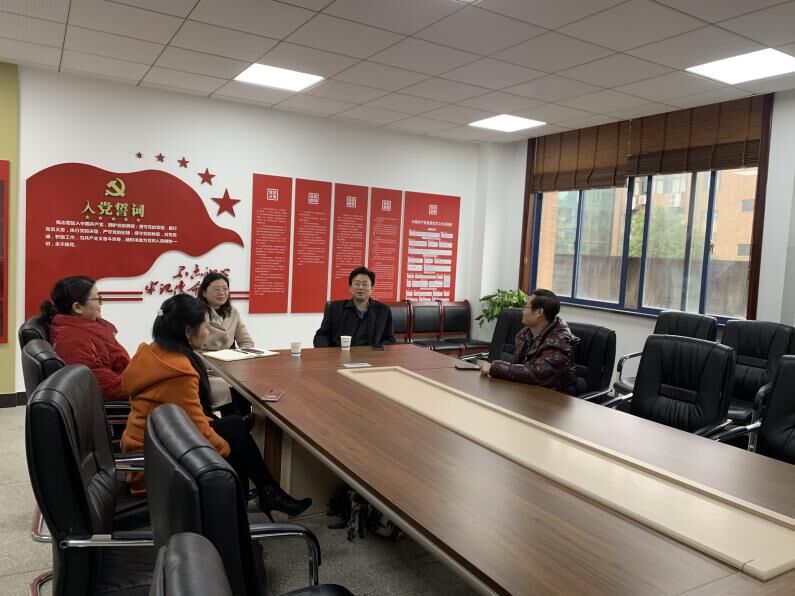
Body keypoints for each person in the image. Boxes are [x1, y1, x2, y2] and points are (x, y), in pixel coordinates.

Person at [120, 293, 311, 520]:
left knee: (234, 426)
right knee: (233, 445)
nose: (208, 332)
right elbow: (198, 429)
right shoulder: (178, 371)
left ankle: (263, 494)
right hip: (159, 463)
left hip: (152, 445)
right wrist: (226, 449)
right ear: (188, 331)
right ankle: (237, 513)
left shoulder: (154, 352)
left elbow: (189, 418)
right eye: (205, 326)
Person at [41, 275, 129, 401]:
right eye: (97, 299)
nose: (101, 304)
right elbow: (104, 386)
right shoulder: (72, 341)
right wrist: (147, 383)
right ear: (77, 307)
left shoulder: (87, 330)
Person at [480, 289, 579, 396]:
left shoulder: (560, 342)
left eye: (525, 307)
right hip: (528, 391)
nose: (522, 311)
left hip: (554, 399)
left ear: (539, 312)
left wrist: (495, 368)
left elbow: (535, 373)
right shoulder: (526, 334)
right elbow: (518, 366)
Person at [197, 271, 254, 417]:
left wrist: (236, 356)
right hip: (206, 371)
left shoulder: (232, 312)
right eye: (216, 289)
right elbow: (191, 349)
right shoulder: (196, 314)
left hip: (230, 369)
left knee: (246, 393)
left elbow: (247, 342)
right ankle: (234, 426)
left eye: (225, 289)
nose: (222, 293)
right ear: (204, 292)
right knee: (228, 394)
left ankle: (246, 425)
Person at [313, 266, 396, 348]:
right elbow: (322, 335)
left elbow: (390, 339)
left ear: (372, 288)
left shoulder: (383, 310)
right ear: (350, 288)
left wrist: (376, 350)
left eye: (365, 284)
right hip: (340, 354)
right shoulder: (335, 308)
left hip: (371, 354)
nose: (360, 287)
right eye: (357, 283)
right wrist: (326, 352)